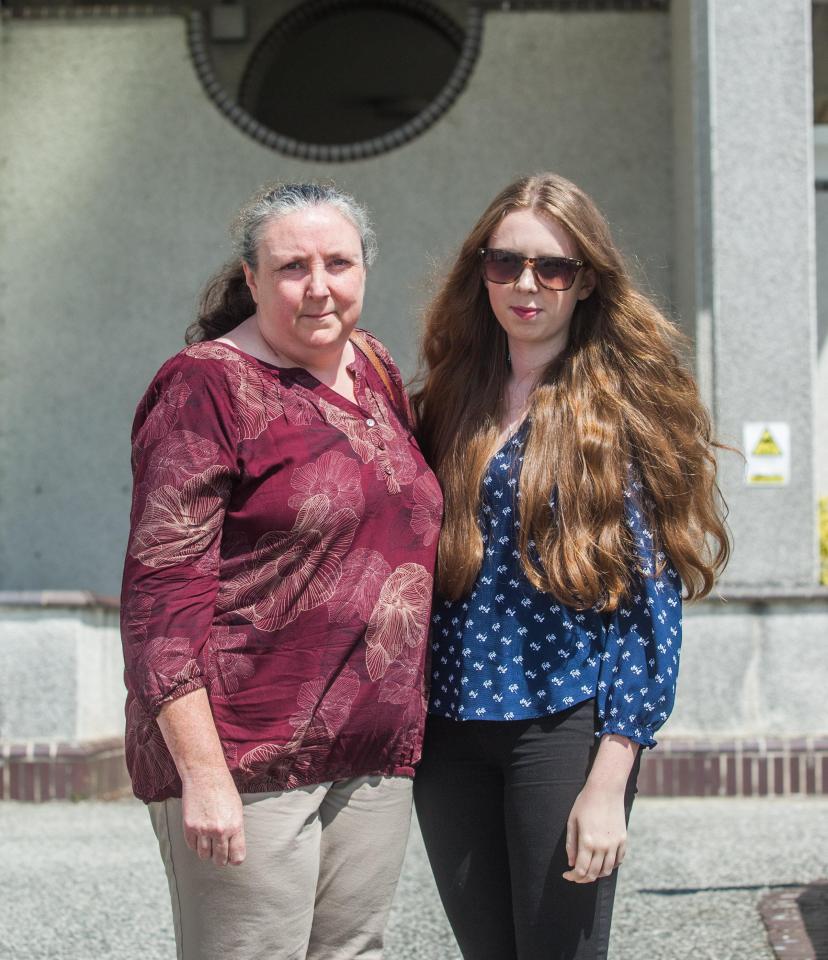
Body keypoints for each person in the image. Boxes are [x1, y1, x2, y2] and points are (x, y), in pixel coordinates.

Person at [410, 173, 730, 960]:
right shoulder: (448, 398)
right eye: (505, 262)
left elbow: (651, 609)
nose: (526, 285)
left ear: (586, 280)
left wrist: (609, 776)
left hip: (562, 726)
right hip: (448, 732)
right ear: (478, 269)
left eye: (552, 267)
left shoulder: (628, 406)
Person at [120, 182, 442, 960]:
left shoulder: (376, 370)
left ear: (365, 268)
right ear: (254, 279)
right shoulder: (206, 386)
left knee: (354, 952)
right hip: (246, 753)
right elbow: (161, 593)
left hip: (371, 750)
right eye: (293, 266)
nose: (319, 285)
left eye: (339, 262)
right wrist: (203, 773)